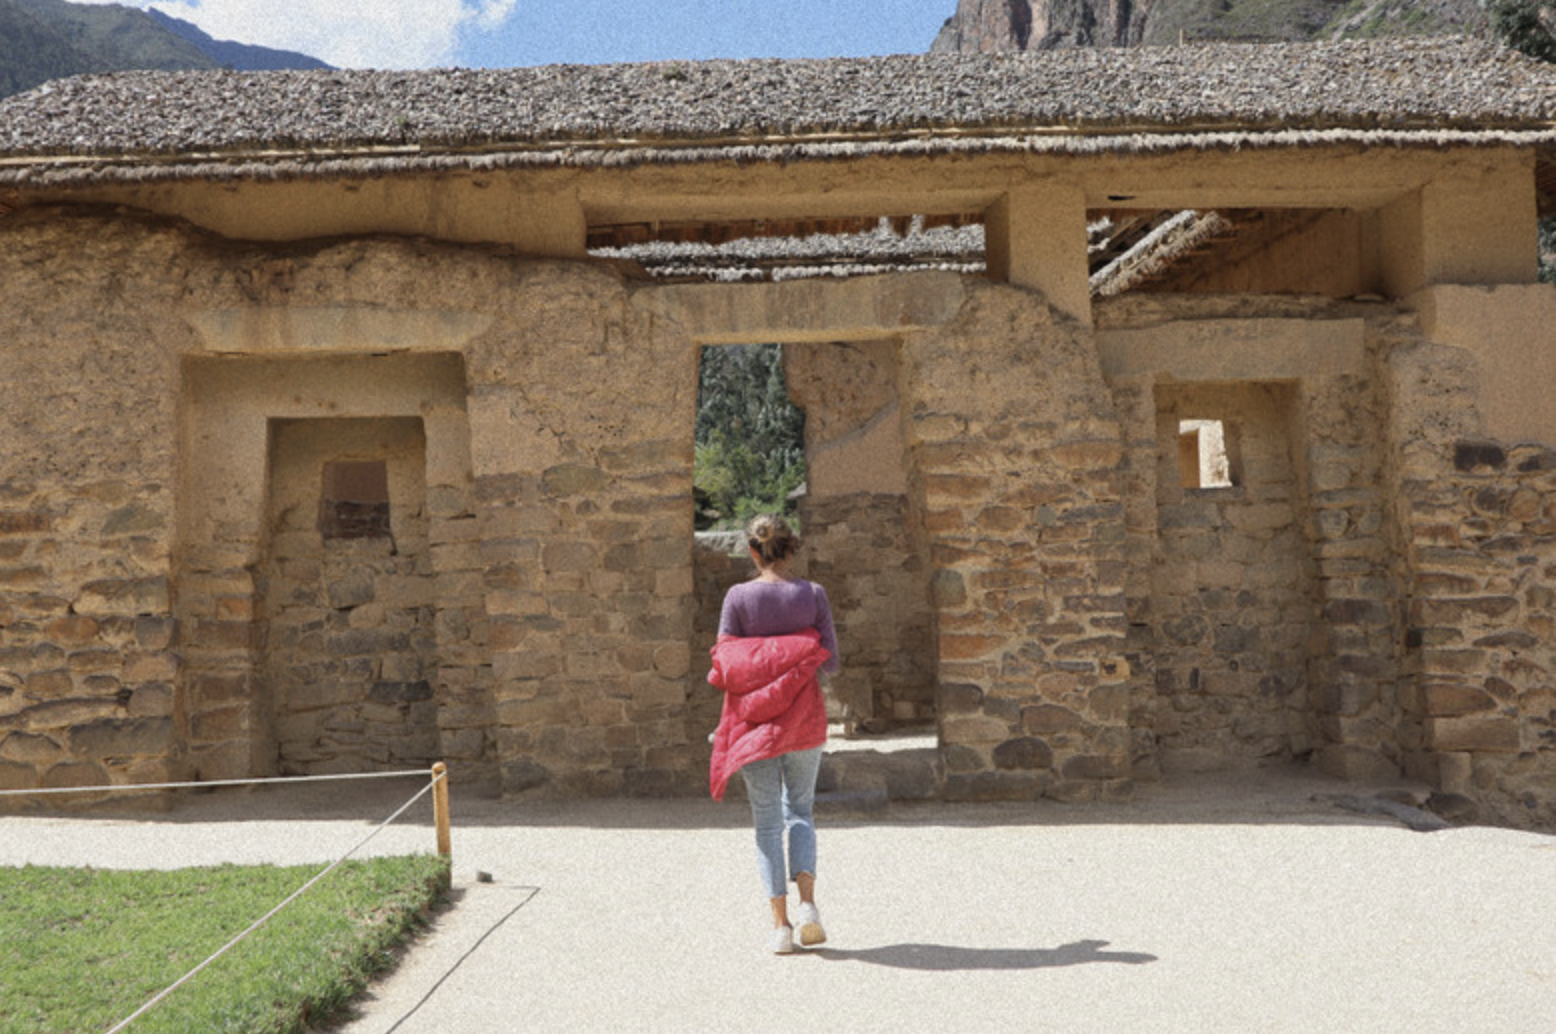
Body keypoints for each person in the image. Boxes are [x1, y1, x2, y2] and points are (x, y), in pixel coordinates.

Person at [707, 513, 839, 954]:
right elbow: (830, 659)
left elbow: (725, 661)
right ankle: (809, 908)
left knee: (766, 823)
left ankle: (781, 928)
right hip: (804, 720)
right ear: (792, 548)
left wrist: (760, 658)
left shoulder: (737, 599)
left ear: (752, 551)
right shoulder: (813, 595)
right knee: (800, 811)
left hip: (753, 724)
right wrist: (794, 651)